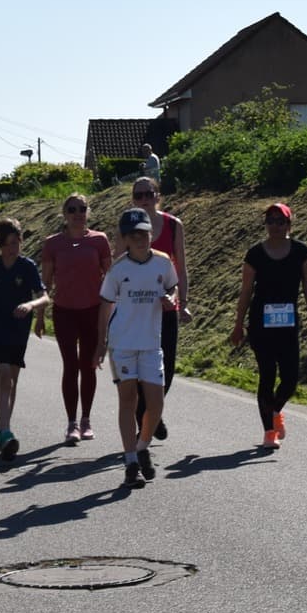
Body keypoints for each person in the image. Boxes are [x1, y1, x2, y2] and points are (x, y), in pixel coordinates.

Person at [228, 202, 307, 450]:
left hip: (288, 323)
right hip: (261, 324)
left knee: (290, 379)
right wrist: (238, 325)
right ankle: (269, 432)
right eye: (270, 221)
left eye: (280, 221)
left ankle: (275, 411)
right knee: (267, 375)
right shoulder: (255, 254)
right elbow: (246, 292)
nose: (275, 226)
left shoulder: (301, 251)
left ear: (289, 224)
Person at [101, 206, 178, 489]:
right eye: (133, 235)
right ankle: (131, 461)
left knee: (156, 404)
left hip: (150, 343)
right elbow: (106, 304)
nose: (140, 239)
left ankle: (142, 445)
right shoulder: (118, 269)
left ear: (151, 234)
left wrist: (171, 298)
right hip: (122, 343)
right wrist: (100, 343)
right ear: (124, 239)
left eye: (144, 233)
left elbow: (172, 287)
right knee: (128, 400)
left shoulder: (163, 262)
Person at [0, 218, 51, 458]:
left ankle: (2, 430)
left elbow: (44, 297)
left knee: (12, 381)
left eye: (16, 243)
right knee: (5, 378)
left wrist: (31, 305)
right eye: (7, 244)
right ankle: (6, 431)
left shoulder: (27, 267)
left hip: (19, 332)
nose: (12, 248)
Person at [39, 193, 112, 443]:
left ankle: (86, 420)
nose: (77, 214)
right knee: (70, 367)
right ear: (64, 214)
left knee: (89, 366)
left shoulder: (99, 240)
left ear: (88, 212)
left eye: (82, 208)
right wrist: (40, 316)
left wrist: (110, 315)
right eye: (72, 210)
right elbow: (45, 284)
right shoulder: (53, 244)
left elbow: (111, 279)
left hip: (92, 311)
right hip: (64, 312)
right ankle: (71, 423)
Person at [130, 176, 189, 440]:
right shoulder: (127, 226)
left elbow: (181, 268)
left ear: (158, 196)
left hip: (166, 308)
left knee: (167, 367)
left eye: (149, 193)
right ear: (133, 199)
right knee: (140, 368)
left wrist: (183, 303)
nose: (144, 199)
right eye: (139, 195)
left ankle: (149, 412)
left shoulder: (173, 225)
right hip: (136, 310)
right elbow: (118, 265)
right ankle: (148, 417)